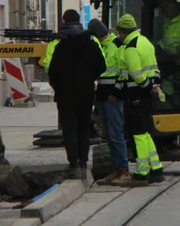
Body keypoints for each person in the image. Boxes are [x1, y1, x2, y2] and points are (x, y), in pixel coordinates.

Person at [47, 10, 106, 180]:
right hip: (85, 93)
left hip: (65, 95)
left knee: (70, 128)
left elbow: (53, 71)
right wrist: (89, 77)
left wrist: (59, 86)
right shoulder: (91, 43)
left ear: (64, 21)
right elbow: (101, 66)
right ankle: (83, 160)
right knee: (83, 127)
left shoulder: (60, 45)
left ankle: (73, 161)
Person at [112, 14, 163, 186]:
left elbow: (136, 74)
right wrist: (154, 86)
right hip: (147, 95)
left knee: (138, 134)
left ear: (123, 32)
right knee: (146, 132)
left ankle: (141, 173)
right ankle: (157, 169)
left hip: (136, 95)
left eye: (119, 32)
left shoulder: (131, 48)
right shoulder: (145, 42)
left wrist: (146, 86)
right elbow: (155, 68)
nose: (119, 36)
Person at [90, 19, 130, 184]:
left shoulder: (115, 45)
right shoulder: (105, 46)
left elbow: (123, 69)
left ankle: (123, 169)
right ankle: (116, 169)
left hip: (112, 96)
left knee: (116, 135)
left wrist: (117, 92)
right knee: (108, 135)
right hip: (104, 95)